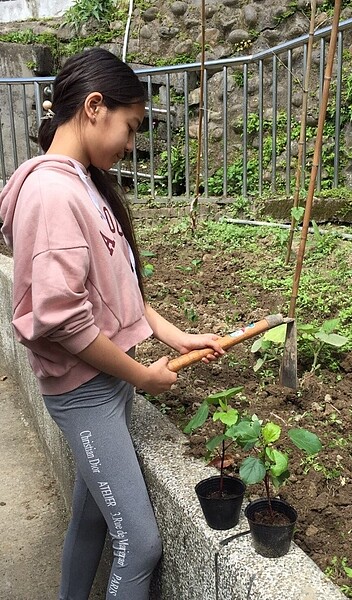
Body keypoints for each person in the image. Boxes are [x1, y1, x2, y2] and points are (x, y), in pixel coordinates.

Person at [0, 47, 224, 600]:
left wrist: (178, 336)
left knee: (94, 517)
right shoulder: (54, 192)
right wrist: (142, 376)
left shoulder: (81, 183)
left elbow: (115, 290)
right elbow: (60, 320)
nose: (130, 144)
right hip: (85, 394)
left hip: (102, 386)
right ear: (94, 107)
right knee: (141, 542)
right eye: (130, 127)